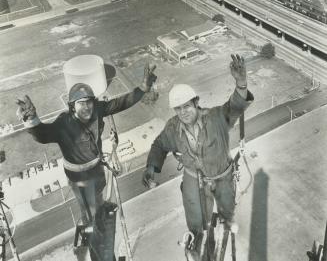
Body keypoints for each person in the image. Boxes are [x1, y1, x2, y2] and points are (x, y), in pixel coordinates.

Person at [17, 63, 156, 224]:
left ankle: (99, 210)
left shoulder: (97, 109)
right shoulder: (64, 123)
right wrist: (31, 120)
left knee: (98, 194)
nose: (86, 107)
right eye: (81, 103)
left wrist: (143, 88)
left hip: (96, 168)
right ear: (72, 107)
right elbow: (43, 135)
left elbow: (121, 103)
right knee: (89, 211)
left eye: (89, 102)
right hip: (79, 176)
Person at [142, 54, 253, 251]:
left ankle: (227, 223)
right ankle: (196, 242)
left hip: (221, 175)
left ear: (196, 103)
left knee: (227, 206)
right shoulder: (173, 127)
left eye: (186, 106)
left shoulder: (216, 117)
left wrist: (241, 82)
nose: (183, 112)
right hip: (194, 179)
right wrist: (151, 167)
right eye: (178, 109)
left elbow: (235, 107)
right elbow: (159, 145)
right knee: (195, 218)